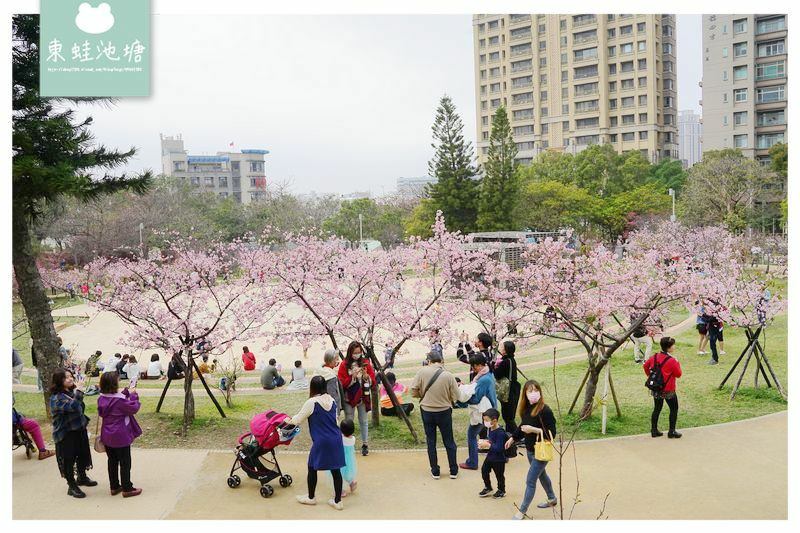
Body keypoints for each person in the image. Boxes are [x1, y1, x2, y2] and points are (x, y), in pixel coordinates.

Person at [288, 375, 346, 511]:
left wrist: (287, 420)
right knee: (335, 470)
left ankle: (311, 497)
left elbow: (297, 419)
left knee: (312, 467)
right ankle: (338, 501)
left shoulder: (312, 402)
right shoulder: (332, 400)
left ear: (312, 387)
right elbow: (335, 420)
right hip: (336, 438)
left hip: (321, 440)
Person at [506, 380, 558, 520]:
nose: (534, 393)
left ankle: (522, 511)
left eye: (536, 390)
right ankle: (552, 498)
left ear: (540, 392)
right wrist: (513, 438)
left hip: (541, 452)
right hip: (530, 451)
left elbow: (552, 433)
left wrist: (534, 430)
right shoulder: (526, 409)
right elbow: (523, 426)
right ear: (525, 394)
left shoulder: (545, 410)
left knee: (530, 480)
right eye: (530, 391)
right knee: (542, 475)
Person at [410, 350, 460, 479]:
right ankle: (453, 470)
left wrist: (422, 396)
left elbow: (413, 391)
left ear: (428, 361)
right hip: (444, 411)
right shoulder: (448, 375)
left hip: (427, 411)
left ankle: (435, 470)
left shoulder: (422, 372)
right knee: (449, 441)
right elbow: (456, 396)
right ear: (441, 361)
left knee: (431, 441)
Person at [50, 369, 97, 498]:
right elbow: (73, 406)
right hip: (66, 433)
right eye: (66, 378)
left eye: (71, 376)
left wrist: (78, 391)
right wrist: (80, 391)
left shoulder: (71, 392)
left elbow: (80, 407)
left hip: (79, 430)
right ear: (59, 381)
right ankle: (71, 486)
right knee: (68, 459)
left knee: (82, 454)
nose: (70, 379)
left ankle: (82, 477)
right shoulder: (56, 398)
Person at [97, 371, 143, 497]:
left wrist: (126, 392)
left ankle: (114, 486)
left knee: (112, 461)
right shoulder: (119, 401)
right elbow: (134, 408)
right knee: (125, 462)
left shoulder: (101, 398)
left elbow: (109, 405)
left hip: (107, 434)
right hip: (120, 435)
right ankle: (127, 488)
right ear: (114, 384)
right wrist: (133, 395)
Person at [337, 341, 376, 456]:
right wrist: (352, 377)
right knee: (349, 421)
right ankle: (348, 445)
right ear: (350, 352)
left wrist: (366, 376)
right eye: (355, 353)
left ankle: (365, 444)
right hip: (349, 398)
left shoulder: (365, 363)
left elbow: (373, 381)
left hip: (363, 396)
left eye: (359, 352)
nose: (357, 354)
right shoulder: (344, 364)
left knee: (363, 421)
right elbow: (341, 383)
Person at [460, 355, 498, 471]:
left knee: (471, 435)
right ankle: (503, 455)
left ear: (479, 365)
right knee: (493, 434)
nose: (473, 368)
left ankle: (472, 462)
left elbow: (476, 398)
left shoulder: (483, 379)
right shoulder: (488, 374)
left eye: (474, 366)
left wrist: (461, 399)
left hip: (483, 412)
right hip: (491, 409)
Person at [643, 337, 683, 439]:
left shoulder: (654, 356)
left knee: (657, 408)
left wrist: (651, 376)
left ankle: (654, 430)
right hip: (668, 389)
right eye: (673, 345)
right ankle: (672, 431)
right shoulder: (672, 360)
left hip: (656, 388)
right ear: (669, 348)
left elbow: (645, 366)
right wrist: (677, 362)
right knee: (674, 409)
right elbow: (678, 374)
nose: (674, 346)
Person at [478, 408, 507, 499]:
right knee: (484, 470)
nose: (484, 422)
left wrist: (488, 445)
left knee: (499, 475)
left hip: (499, 459)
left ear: (494, 421)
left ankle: (501, 490)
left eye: (486, 420)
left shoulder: (500, 433)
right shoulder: (490, 429)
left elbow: (499, 448)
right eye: (484, 420)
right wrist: (487, 442)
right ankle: (488, 487)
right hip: (490, 456)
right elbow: (492, 441)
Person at [493, 340, 520, 433]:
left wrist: (494, 365)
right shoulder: (511, 359)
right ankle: (510, 434)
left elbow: (497, 375)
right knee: (508, 415)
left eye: (501, 346)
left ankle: (517, 435)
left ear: (505, 350)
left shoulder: (505, 362)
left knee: (508, 416)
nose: (499, 347)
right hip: (512, 390)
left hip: (508, 391)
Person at [327, 419, 358, 498]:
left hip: (339, 459)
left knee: (338, 475)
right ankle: (351, 483)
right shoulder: (353, 439)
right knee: (348, 474)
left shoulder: (340, 438)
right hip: (349, 461)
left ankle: (341, 491)